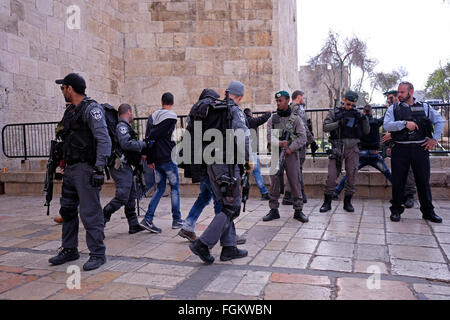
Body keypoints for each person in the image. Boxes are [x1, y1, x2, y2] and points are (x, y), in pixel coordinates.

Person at [48, 73, 111, 271]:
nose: (62, 91)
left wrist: (99, 168)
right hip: (70, 168)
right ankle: (69, 249)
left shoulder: (92, 110)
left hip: (86, 169)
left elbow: (104, 140)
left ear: (70, 88)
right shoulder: (71, 111)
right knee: (67, 209)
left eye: (63, 88)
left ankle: (98, 254)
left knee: (90, 212)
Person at [189, 81, 251, 264]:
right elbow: (242, 137)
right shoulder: (233, 110)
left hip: (211, 163)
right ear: (239, 96)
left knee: (225, 204)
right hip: (227, 164)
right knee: (232, 206)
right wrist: (248, 159)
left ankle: (229, 247)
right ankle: (203, 244)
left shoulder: (213, 108)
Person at [383, 82, 445, 223]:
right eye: (398, 92)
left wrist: (434, 139)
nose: (399, 95)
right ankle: (396, 211)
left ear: (411, 91)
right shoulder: (393, 108)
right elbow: (387, 124)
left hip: (420, 149)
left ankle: (428, 212)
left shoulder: (425, 107)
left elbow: (439, 121)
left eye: (402, 92)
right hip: (400, 149)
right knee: (398, 181)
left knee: (423, 181)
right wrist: (404, 124)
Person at [320, 90, 370, 213]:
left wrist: (364, 119)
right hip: (337, 147)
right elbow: (325, 127)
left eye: (353, 105)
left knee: (351, 176)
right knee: (331, 177)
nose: (350, 107)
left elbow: (367, 131)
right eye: (348, 104)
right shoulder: (334, 112)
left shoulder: (357, 114)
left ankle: (348, 202)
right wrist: (338, 123)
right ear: (343, 100)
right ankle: (327, 202)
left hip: (352, 148)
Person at [263, 91, 309, 223]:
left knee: (295, 182)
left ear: (288, 100)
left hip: (291, 155)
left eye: (280, 101)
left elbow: (302, 137)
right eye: (277, 101)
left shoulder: (296, 119)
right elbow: (269, 137)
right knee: (274, 183)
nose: (278, 103)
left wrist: (290, 148)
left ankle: (298, 211)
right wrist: (280, 143)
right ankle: (273, 210)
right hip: (277, 154)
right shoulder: (273, 119)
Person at [140, 93, 184, 233]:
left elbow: (149, 138)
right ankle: (177, 220)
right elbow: (154, 136)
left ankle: (148, 218)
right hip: (168, 158)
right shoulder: (172, 116)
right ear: (172, 102)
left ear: (161, 101)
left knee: (160, 188)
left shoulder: (152, 116)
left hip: (157, 159)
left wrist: (150, 158)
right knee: (175, 188)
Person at [103, 104, 147, 234]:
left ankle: (133, 224)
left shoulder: (123, 126)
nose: (132, 114)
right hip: (120, 165)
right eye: (131, 112)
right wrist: (143, 144)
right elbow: (126, 144)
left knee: (131, 194)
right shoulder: (122, 126)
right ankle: (103, 216)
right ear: (128, 112)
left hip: (125, 164)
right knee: (122, 195)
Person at [333, 104, 392, 197]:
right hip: (374, 154)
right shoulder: (376, 122)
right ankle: (402, 192)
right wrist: (389, 108)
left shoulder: (359, 122)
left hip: (361, 154)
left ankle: (336, 192)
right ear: (372, 112)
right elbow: (385, 117)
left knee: (349, 174)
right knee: (387, 173)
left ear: (363, 112)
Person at [381, 90, 417, 209]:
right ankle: (399, 196)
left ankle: (409, 196)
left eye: (390, 99)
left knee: (409, 171)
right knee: (398, 173)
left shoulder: (406, 109)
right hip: (396, 145)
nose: (389, 102)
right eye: (387, 100)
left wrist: (391, 135)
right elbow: (388, 126)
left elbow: (408, 127)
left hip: (407, 144)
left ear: (397, 97)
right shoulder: (392, 110)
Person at [282, 90, 314, 205]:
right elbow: (304, 126)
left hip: (292, 143)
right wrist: (312, 140)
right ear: (299, 97)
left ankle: (298, 194)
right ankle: (290, 195)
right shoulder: (297, 109)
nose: (303, 100)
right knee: (295, 169)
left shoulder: (289, 108)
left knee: (296, 169)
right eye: (303, 98)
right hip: (297, 143)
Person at [243, 108, 272, 200]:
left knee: (245, 172)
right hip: (251, 150)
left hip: (242, 150)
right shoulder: (252, 121)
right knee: (256, 172)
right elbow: (262, 119)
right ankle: (264, 193)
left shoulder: (240, 122)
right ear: (250, 114)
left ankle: (245, 194)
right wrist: (268, 112)